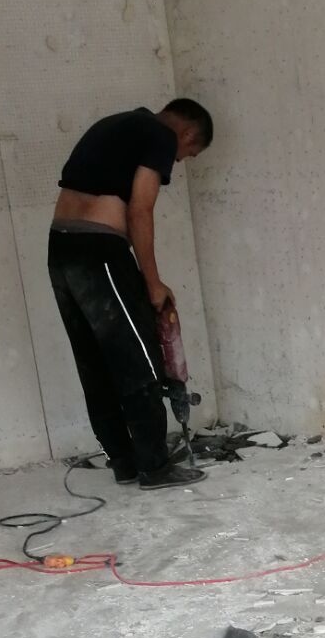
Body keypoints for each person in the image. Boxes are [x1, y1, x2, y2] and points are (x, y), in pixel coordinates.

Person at [48, 99, 213, 489]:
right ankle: (155, 467)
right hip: (99, 252)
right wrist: (153, 282)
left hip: (60, 250)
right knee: (140, 359)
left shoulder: (114, 125)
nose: (180, 160)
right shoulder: (159, 135)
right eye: (188, 153)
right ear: (188, 133)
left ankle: (123, 462)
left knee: (94, 362)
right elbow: (140, 209)